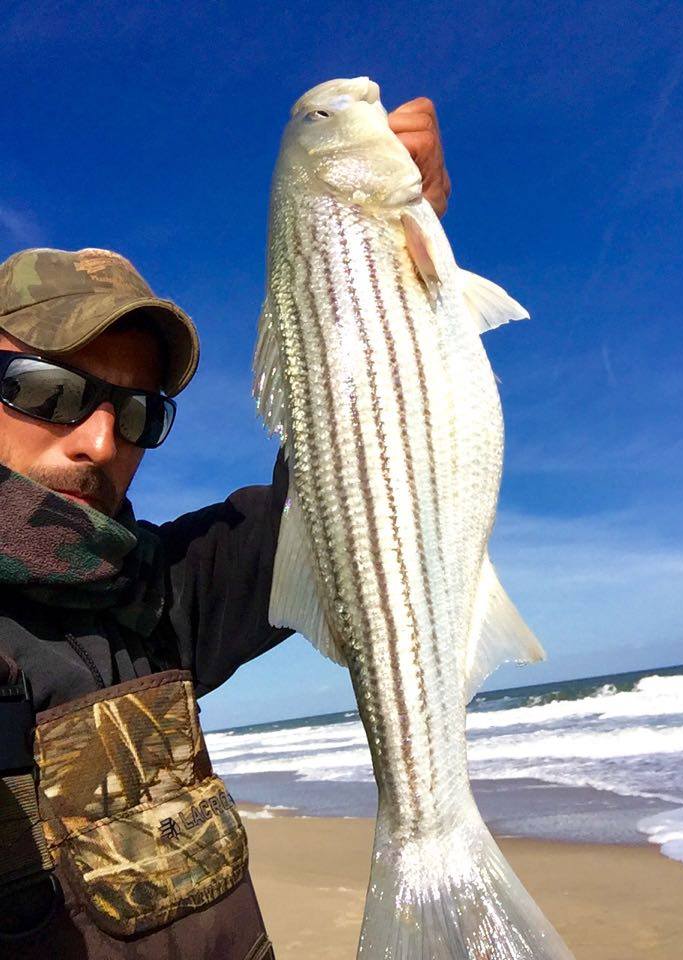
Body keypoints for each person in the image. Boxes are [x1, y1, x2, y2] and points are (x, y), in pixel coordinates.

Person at [0, 99, 451, 959]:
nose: (99, 441)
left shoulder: (159, 597)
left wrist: (377, 274)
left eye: (136, 413)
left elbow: (338, 494)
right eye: (45, 389)